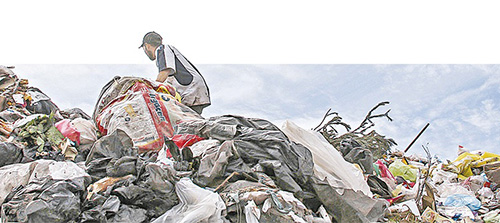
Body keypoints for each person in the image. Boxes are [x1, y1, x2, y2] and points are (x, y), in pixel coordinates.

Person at [139, 31, 210, 114]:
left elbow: (164, 72)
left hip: (191, 90)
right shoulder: (163, 54)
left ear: (147, 46)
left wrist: (151, 90)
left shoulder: (162, 49)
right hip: (191, 91)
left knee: (188, 119)